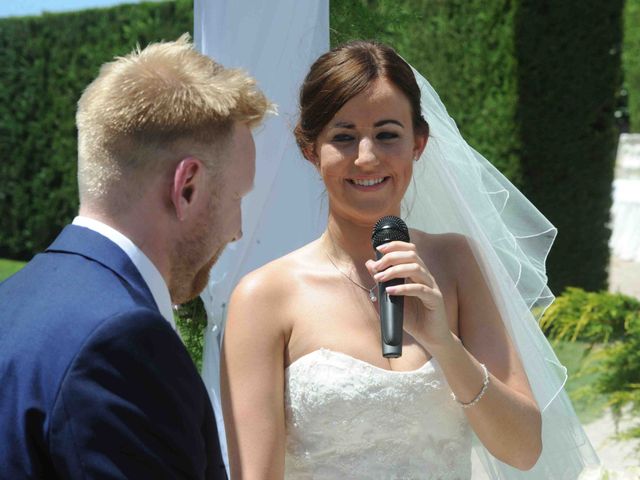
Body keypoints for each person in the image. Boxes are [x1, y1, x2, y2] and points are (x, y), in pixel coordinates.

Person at [220, 40, 599, 479]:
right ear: (311, 149)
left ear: (418, 142)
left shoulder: (456, 262)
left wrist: (444, 343)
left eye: (387, 134)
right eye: (343, 137)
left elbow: (523, 449)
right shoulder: (264, 296)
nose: (366, 157)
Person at [0, 34, 268, 479]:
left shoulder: (12, 299)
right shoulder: (123, 341)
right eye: (237, 197)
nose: (238, 230)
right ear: (187, 187)